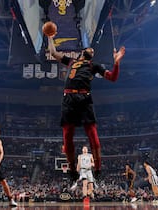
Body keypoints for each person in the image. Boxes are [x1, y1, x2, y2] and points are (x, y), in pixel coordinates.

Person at [47, 35, 126, 183]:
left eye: (93, 51)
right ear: (82, 52)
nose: (92, 51)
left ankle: (98, 169)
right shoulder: (71, 61)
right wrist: (50, 37)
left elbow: (112, 77)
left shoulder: (94, 66)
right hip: (69, 99)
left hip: (84, 98)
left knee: (93, 135)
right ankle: (72, 169)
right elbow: (53, 52)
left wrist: (116, 63)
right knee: (67, 136)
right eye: (90, 49)